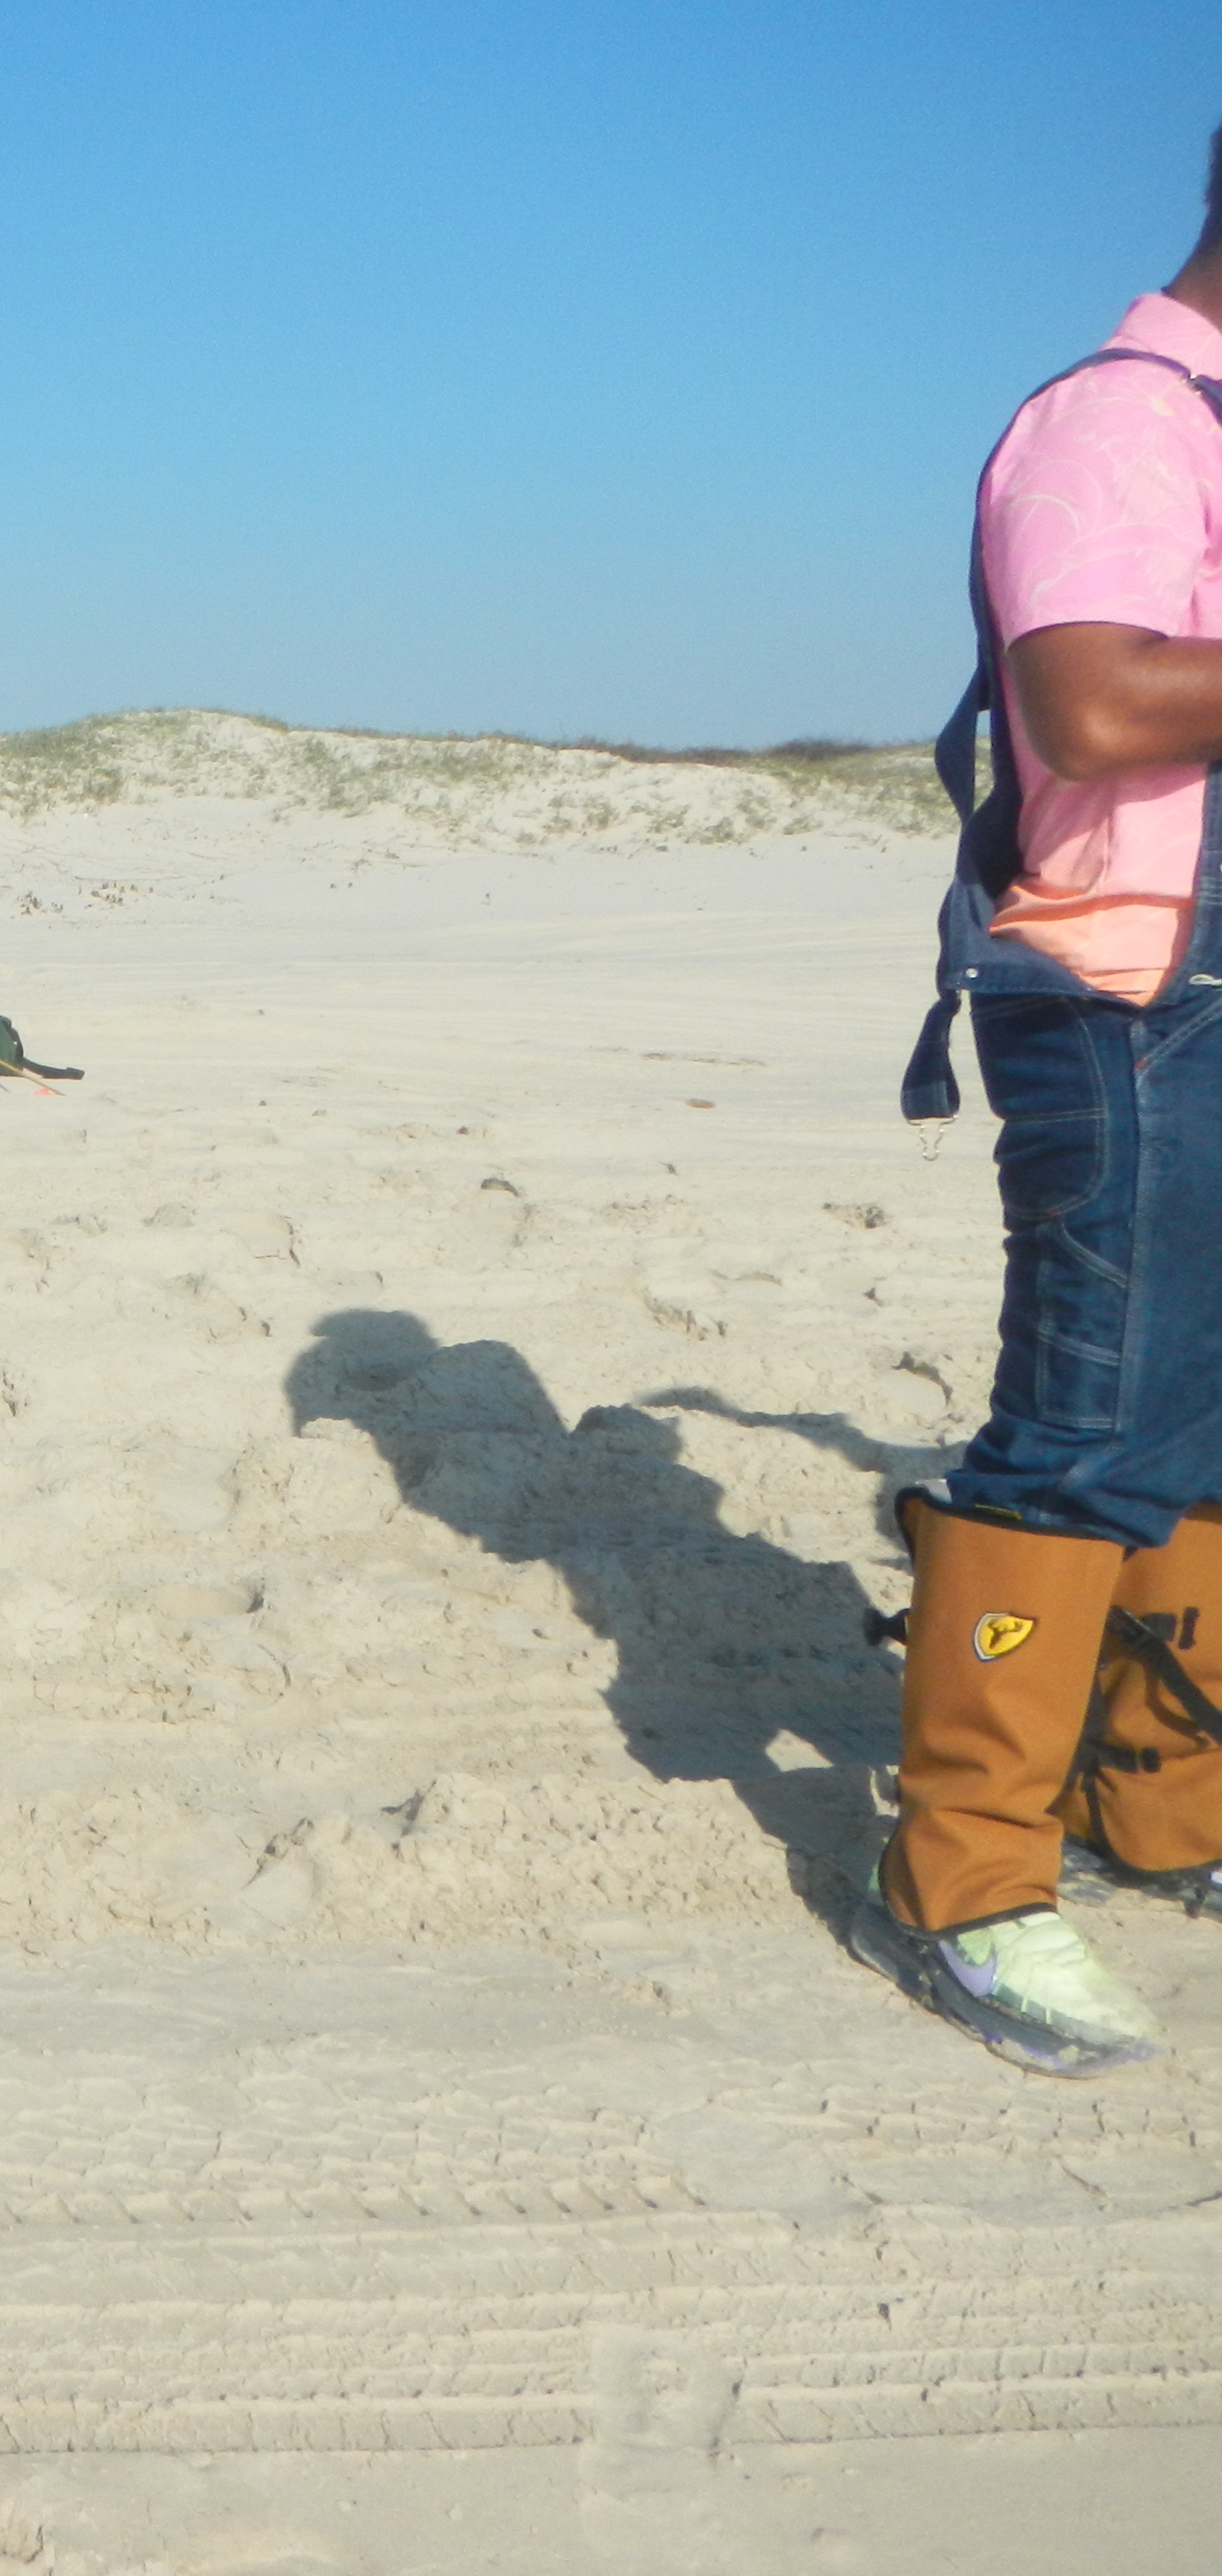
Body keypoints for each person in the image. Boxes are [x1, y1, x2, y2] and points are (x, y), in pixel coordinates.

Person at [854, 122, 1222, 2077]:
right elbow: (1089, 701)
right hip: (1131, 1006)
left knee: (1202, 1430)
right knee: (1074, 1447)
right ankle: (965, 1871)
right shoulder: (1121, 421)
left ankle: (1166, 1800)